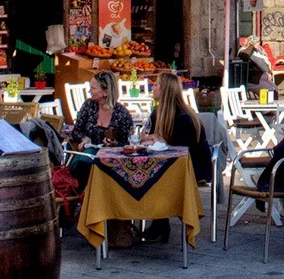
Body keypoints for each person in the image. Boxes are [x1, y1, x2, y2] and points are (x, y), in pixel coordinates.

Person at [138, 73, 209, 243]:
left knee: (154, 176)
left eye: (156, 85)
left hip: (192, 165)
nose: (152, 87)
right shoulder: (158, 113)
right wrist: (148, 138)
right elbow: (153, 137)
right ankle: (157, 222)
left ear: (165, 90)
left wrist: (159, 139)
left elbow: (182, 150)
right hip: (169, 163)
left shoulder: (184, 117)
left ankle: (160, 223)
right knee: (143, 175)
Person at [66, 71, 134, 188]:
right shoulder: (89, 106)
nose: (89, 91)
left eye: (93, 88)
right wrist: (84, 138)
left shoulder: (122, 113)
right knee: (84, 164)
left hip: (110, 161)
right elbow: (76, 131)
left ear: (106, 92)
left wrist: (114, 143)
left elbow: (128, 143)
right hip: (87, 158)